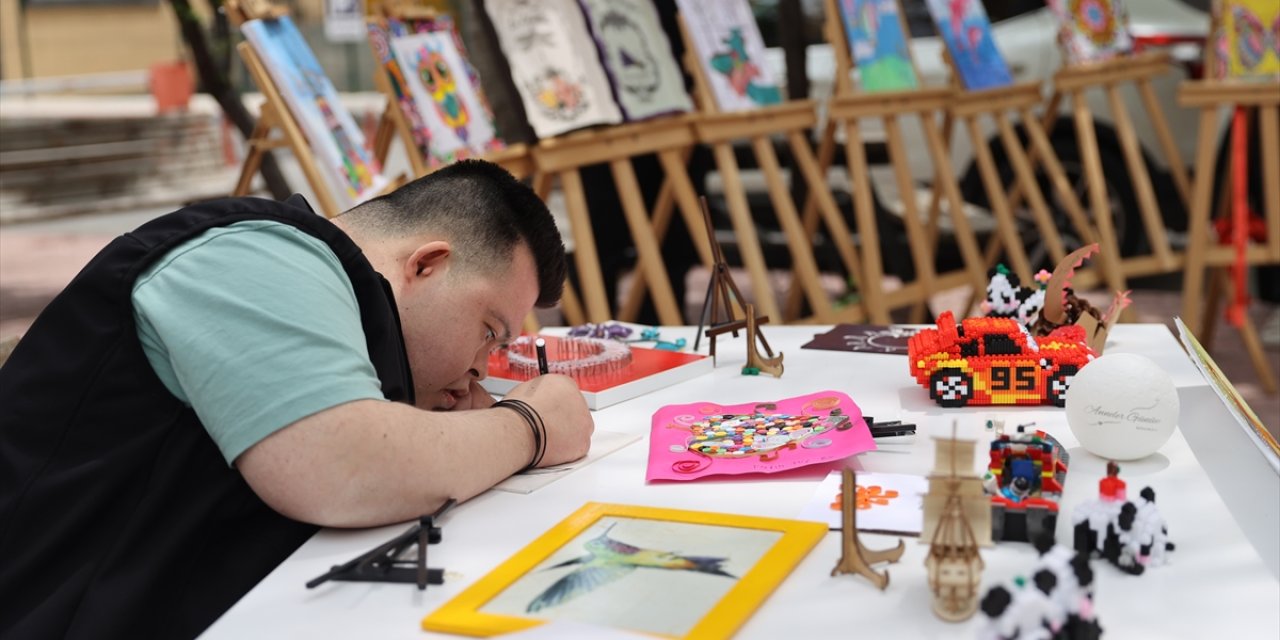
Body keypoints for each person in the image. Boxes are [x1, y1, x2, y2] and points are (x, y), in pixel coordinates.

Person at [0, 160, 594, 638]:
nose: (481, 368)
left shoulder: (348, 306)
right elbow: (341, 467)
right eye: (489, 331)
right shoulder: (255, 255)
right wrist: (531, 426)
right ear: (427, 265)